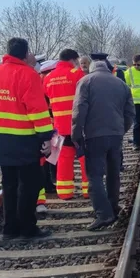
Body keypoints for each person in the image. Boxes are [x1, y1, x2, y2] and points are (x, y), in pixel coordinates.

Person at [0, 38, 54, 238]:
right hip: (25, 140)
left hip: (2, 139)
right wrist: (46, 136)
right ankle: (28, 228)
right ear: (26, 53)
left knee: (9, 185)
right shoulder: (28, 74)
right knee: (29, 185)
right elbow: (37, 109)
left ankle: (10, 229)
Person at [72, 53, 135, 230]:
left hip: (94, 136)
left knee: (95, 175)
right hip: (115, 136)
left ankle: (104, 214)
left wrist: (76, 134)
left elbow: (79, 110)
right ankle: (113, 208)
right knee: (113, 173)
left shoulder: (86, 82)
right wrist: (120, 130)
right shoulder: (121, 84)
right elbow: (130, 113)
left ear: (91, 68)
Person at [43, 49, 89, 201]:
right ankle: (88, 190)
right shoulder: (77, 74)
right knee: (84, 157)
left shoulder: (48, 77)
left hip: (59, 127)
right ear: (73, 60)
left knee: (63, 159)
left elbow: (46, 102)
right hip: (78, 125)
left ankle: (64, 192)